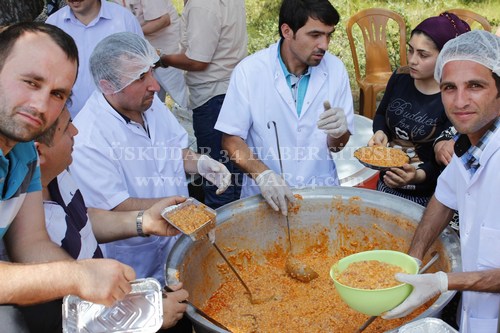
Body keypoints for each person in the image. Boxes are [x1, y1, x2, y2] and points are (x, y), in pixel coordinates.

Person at [0, 22, 134, 332]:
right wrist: (78, 276)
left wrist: (93, 284)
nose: (41, 105)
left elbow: (30, 243)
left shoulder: (23, 153)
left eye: (58, 94)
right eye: (31, 82)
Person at [69, 32, 231, 287]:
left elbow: (173, 152)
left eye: (151, 72)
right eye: (140, 77)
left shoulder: (149, 105)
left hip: (176, 244)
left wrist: (201, 163)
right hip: (134, 264)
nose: (154, 85)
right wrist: (181, 211)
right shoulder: (88, 138)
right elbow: (114, 205)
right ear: (108, 86)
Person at [18, 107, 189, 332]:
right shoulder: (21, 224)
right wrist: (148, 315)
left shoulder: (57, 174)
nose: (76, 130)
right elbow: (66, 319)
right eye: (66, 128)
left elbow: (81, 220)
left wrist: (144, 221)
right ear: (39, 153)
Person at [382, 30, 500, 332]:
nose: (460, 101)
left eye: (475, 86)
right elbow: (444, 198)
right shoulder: (467, 145)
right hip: (476, 312)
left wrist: (443, 281)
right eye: (449, 88)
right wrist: (413, 258)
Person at [214, 0, 354, 215]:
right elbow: (231, 139)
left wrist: (339, 132)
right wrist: (263, 175)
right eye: (315, 35)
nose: (324, 45)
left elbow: (337, 146)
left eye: (329, 35)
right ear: (287, 31)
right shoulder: (250, 71)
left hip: (320, 193)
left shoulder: (335, 70)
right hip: (264, 198)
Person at [367, 12, 471, 207]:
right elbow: (381, 114)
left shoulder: (452, 98)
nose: (413, 60)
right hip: (385, 185)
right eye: (411, 50)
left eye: (423, 55)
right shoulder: (400, 78)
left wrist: (416, 177)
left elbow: (444, 162)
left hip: (424, 196)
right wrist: (381, 133)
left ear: (445, 57)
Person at [157, 0, 247, 209]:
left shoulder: (201, 5)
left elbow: (198, 60)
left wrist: (162, 59)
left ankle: (224, 235)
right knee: (233, 176)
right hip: (230, 91)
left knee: (218, 179)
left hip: (213, 97)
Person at [46, 0, 143, 118]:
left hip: (118, 118)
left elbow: (141, 68)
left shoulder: (124, 19)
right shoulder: (54, 24)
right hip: (71, 120)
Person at [112, 0, 189, 109]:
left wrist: (131, 33)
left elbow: (164, 20)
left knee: (182, 98)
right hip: (143, 53)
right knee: (152, 103)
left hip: (167, 50)